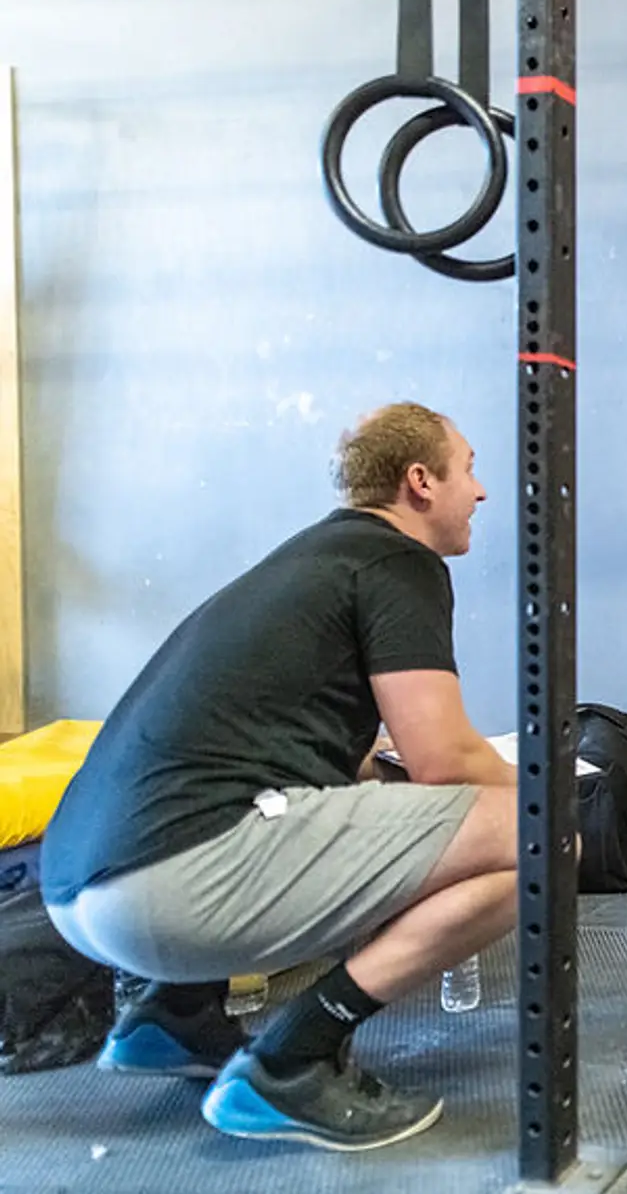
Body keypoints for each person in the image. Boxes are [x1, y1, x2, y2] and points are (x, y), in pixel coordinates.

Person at [39, 402, 522, 1150]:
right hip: (170, 882)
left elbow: (340, 761)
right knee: (541, 842)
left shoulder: (313, 559)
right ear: (420, 482)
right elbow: (445, 760)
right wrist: (546, 800)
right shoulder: (399, 562)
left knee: (378, 805)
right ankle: (291, 1060)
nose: (481, 491)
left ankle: (172, 1017)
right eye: (469, 468)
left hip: (81, 894)